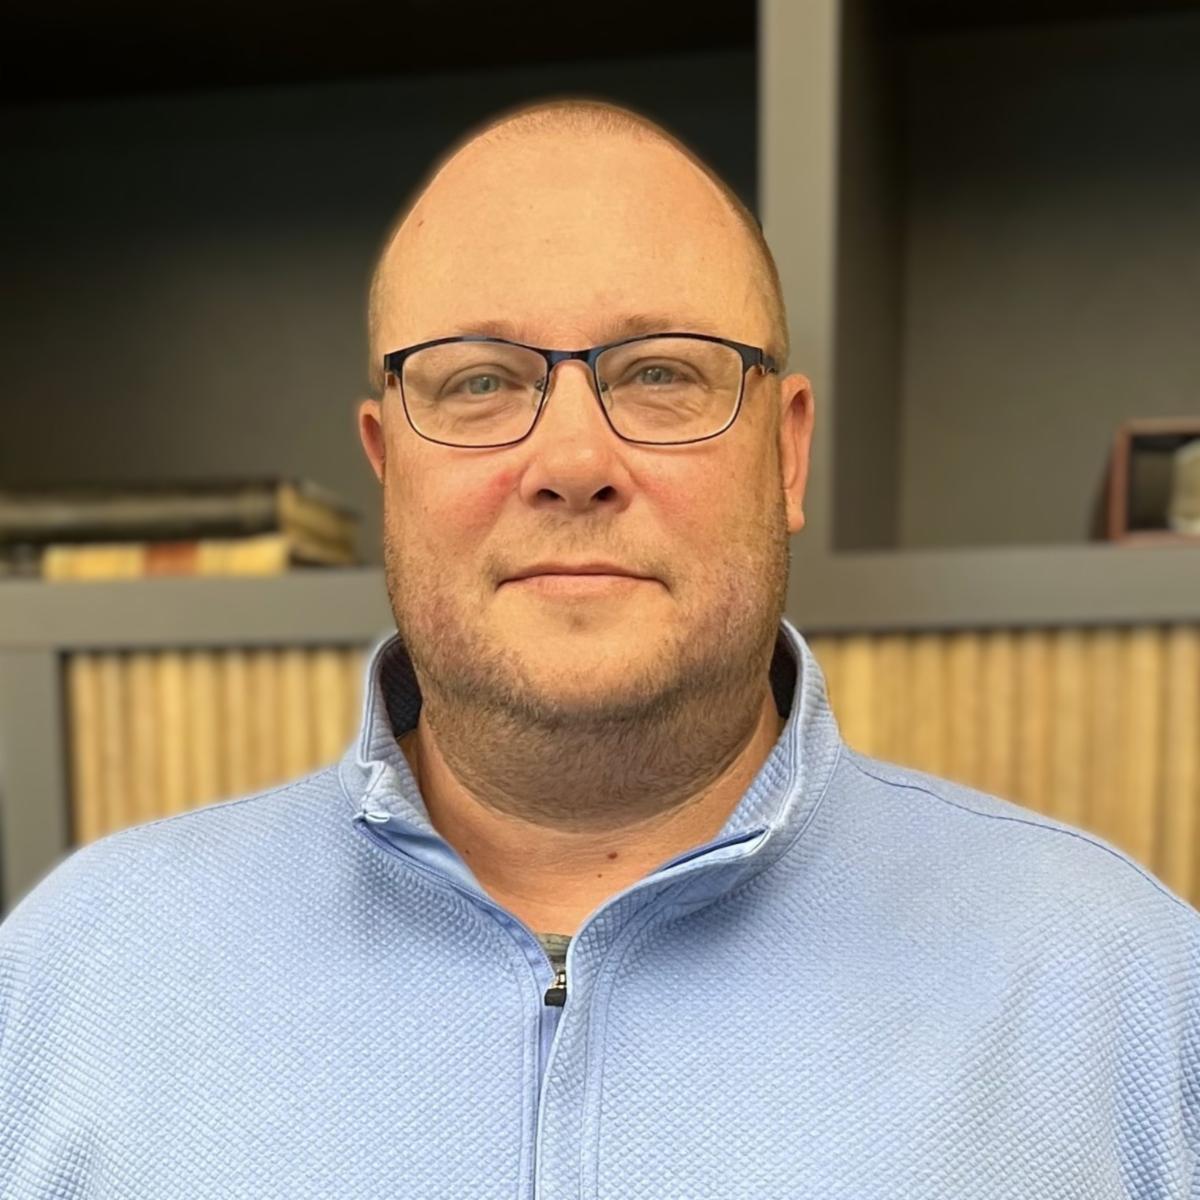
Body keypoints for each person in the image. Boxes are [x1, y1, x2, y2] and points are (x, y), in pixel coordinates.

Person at [1, 96, 1197, 1200]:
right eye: (479, 382)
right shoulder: (71, 977)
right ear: (387, 464)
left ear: (787, 454)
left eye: (661, 373)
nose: (572, 463)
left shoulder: (1125, 996)